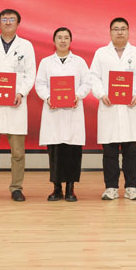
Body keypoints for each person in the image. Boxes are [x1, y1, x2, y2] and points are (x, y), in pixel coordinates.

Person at [0, 9, 36, 202]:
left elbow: (30, 74)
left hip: (15, 104)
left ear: (18, 23)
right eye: (4, 19)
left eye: (12, 19)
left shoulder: (26, 46)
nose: (8, 22)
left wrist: (21, 92)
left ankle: (16, 188)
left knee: (18, 153)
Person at [90, 17, 136, 201]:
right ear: (110, 32)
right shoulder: (101, 53)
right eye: (116, 29)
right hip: (109, 107)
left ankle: (132, 187)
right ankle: (111, 187)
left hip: (130, 108)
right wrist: (102, 94)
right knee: (109, 152)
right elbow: (93, 77)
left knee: (130, 152)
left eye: (123, 28)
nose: (119, 32)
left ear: (128, 32)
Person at [35, 27, 91, 202]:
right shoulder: (45, 62)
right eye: (59, 37)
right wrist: (48, 97)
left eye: (66, 37)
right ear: (54, 41)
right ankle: (57, 188)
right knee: (55, 152)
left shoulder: (79, 62)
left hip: (73, 111)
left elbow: (87, 83)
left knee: (73, 152)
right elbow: (40, 84)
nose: (63, 40)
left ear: (71, 41)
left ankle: (70, 189)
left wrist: (77, 95)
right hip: (53, 112)